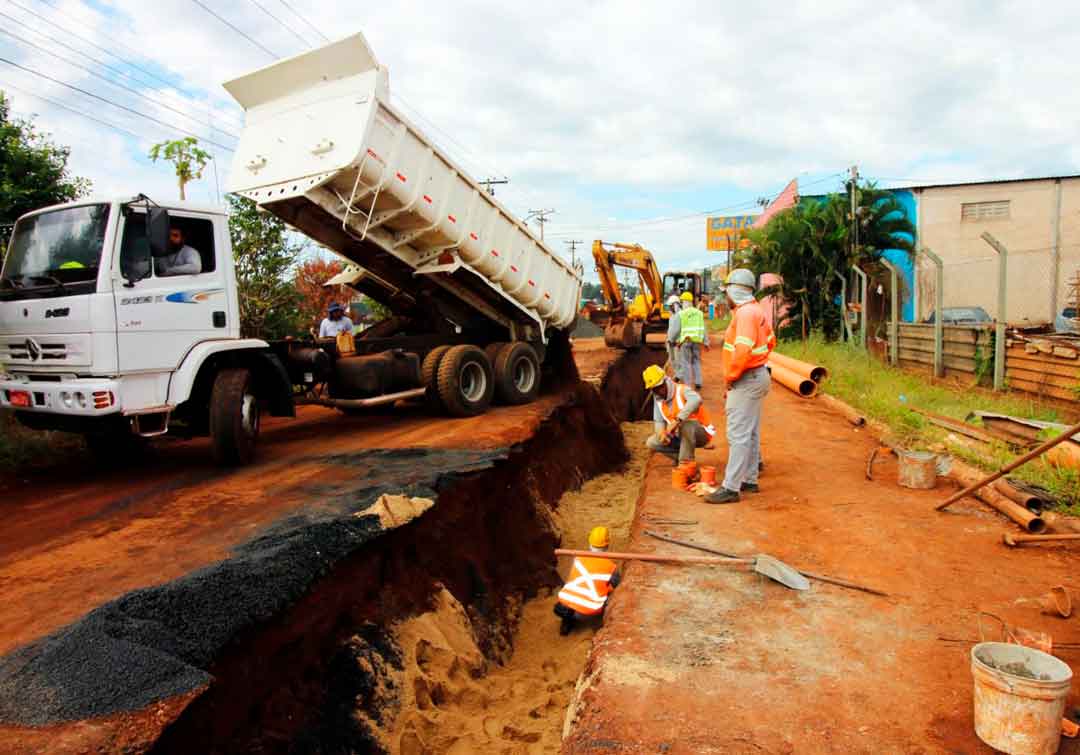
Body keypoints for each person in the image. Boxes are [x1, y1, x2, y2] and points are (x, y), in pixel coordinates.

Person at [705, 269, 776, 505]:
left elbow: (743, 351)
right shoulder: (757, 311)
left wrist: (731, 378)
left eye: (726, 292)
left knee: (738, 434)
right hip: (758, 374)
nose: (725, 297)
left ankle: (731, 487)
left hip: (746, 377)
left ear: (734, 290)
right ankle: (750, 479)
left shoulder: (745, 314)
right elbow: (770, 342)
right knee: (751, 432)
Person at [554, 526, 620, 635]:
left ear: (589, 544)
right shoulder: (611, 567)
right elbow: (616, 586)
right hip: (591, 609)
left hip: (564, 603)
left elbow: (572, 578)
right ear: (607, 545)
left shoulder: (578, 559)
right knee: (612, 593)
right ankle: (600, 626)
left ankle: (567, 622)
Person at [643, 364, 715, 464]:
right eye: (654, 389)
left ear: (666, 381)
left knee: (686, 425)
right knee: (651, 442)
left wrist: (678, 420)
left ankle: (686, 465)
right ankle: (681, 456)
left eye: (659, 387)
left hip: (701, 433)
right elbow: (659, 421)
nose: (658, 391)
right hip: (679, 436)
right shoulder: (658, 399)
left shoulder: (682, 390)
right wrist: (662, 434)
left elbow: (696, 399)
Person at [675, 290, 708, 390]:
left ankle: (688, 385)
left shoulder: (681, 314)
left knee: (686, 363)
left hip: (685, 342)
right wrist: (706, 342)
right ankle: (698, 382)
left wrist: (678, 342)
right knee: (696, 361)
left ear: (684, 302)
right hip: (697, 341)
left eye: (682, 301)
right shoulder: (699, 313)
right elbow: (703, 328)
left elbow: (678, 329)